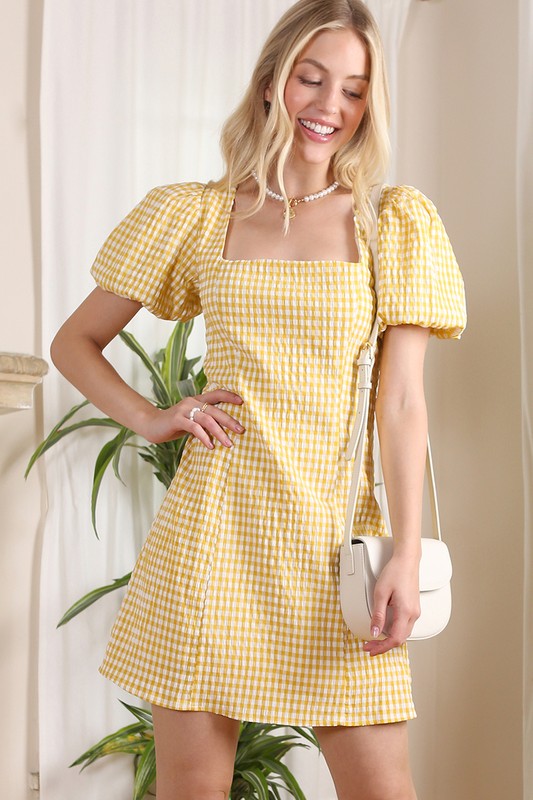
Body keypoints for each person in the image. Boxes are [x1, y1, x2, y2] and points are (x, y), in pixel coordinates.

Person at [50, 1, 466, 798]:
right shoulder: (196, 214)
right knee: (193, 788)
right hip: (215, 537)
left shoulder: (392, 223)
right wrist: (151, 416)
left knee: (382, 787)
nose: (328, 107)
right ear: (272, 81)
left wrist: (405, 554)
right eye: (312, 79)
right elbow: (77, 342)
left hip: (336, 541)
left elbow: (403, 402)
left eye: (352, 89)